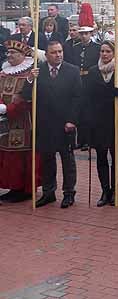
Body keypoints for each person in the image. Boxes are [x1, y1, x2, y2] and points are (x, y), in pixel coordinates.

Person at [23, 40, 81, 208]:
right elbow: (27, 95)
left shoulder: (72, 71)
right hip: (45, 123)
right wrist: (30, 79)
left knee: (67, 160)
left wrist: (72, 120)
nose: (58, 55)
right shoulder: (38, 72)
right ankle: (49, 192)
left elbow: (78, 98)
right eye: (54, 52)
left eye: (60, 51)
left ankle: (69, 193)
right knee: (47, 160)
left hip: (65, 124)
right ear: (46, 55)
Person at [81, 40, 118, 207]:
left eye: (108, 51)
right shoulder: (94, 71)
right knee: (101, 155)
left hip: (116, 118)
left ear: (115, 53)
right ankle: (105, 190)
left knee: (116, 156)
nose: (104, 54)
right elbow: (87, 96)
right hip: (98, 119)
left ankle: (114, 190)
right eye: (102, 51)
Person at [0, 39, 41, 202]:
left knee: (20, 156)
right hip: (5, 122)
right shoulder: (4, 72)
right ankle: (12, 186)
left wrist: (9, 109)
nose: (9, 55)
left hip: (24, 122)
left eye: (13, 53)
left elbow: (27, 98)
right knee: (7, 156)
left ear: (23, 55)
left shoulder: (30, 74)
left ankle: (23, 189)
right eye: (8, 52)